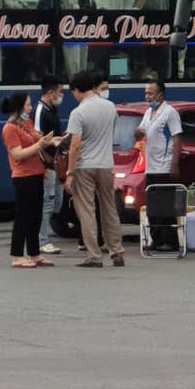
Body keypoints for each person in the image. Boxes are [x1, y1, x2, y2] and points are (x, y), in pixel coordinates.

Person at [66, 70, 125, 268]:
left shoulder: (78, 112)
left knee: (87, 211)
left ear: (76, 89)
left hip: (84, 166)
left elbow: (75, 145)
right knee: (109, 208)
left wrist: (70, 173)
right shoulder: (110, 107)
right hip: (106, 164)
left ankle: (94, 255)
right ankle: (116, 251)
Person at [1, 91, 60, 269]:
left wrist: (51, 140)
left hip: (37, 173)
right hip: (23, 176)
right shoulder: (9, 128)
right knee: (23, 216)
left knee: (36, 215)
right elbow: (18, 154)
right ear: (19, 107)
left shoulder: (26, 123)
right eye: (27, 104)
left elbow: (37, 140)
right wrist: (39, 145)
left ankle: (35, 254)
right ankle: (17, 254)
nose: (30, 107)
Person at [138, 79, 184, 252]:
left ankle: (170, 241)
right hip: (151, 167)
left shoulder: (169, 113)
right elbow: (140, 132)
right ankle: (156, 240)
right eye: (146, 93)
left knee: (165, 206)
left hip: (164, 167)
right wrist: (137, 133)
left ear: (160, 95)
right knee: (153, 206)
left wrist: (174, 164)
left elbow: (177, 138)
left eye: (150, 93)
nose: (147, 96)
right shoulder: (148, 113)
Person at [33, 75, 66, 255]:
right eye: (61, 92)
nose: (62, 96)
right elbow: (37, 140)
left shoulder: (51, 109)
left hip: (56, 161)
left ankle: (44, 231)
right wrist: (43, 166)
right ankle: (42, 239)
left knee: (57, 201)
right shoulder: (41, 111)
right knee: (47, 201)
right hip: (47, 163)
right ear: (51, 92)